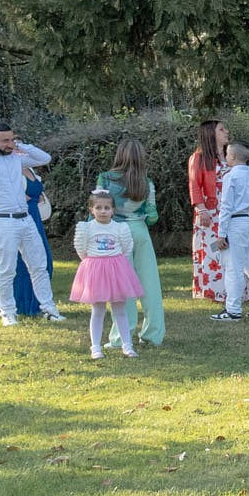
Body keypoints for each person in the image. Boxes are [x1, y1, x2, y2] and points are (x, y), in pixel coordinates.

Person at [0, 120, 62, 325]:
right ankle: (7, 312)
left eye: (12, 139)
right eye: (5, 140)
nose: (10, 144)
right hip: (1, 220)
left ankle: (49, 308)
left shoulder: (16, 158)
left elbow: (45, 158)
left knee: (39, 265)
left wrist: (21, 146)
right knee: (7, 269)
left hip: (25, 218)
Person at [95, 138, 164, 346]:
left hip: (115, 233)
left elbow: (97, 209)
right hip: (140, 231)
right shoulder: (146, 182)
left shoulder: (105, 179)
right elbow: (152, 216)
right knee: (150, 283)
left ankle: (120, 337)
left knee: (122, 286)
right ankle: (153, 335)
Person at [71, 189, 145, 359]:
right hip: (96, 272)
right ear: (91, 209)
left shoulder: (120, 228)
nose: (103, 211)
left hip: (116, 271)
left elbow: (127, 247)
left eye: (107, 208)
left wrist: (115, 262)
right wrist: (93, 262)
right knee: (98, 310)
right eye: (98, 208)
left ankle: (127, 345)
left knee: (120, 309)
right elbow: (81, 248)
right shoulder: (86, 228)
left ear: (113, 210)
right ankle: (95, 347)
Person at [210, 143, 249, 322]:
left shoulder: (230, 177)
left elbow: (226, 206)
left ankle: (233, 309)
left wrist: (221, 233)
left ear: (233, 156)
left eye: (227, 154)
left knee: (234, 268)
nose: (226, 157)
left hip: (235, 223)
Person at [187, 119, 227, 302]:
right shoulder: (199, 158)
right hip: (210, 212)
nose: (226, 132)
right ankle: (213, 290)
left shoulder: (230, 155)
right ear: (211, 134)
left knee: (231, 248)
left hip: (228, 210)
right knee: (212, 249)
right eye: (221, 129)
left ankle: (233, 290)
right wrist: (202, 210)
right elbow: (194, 185)